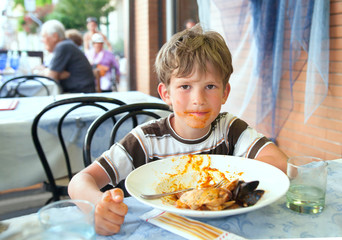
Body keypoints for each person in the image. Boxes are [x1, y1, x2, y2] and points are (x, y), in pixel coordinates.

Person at [68, 24, 288, 236]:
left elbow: (277, 162)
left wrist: (229, 187)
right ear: (166, 94)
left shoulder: (229, 129)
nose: (198, 100)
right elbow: (81, 181)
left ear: (224, 92)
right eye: (185, 87)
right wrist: (98, 206)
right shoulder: (146, 140)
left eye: (210, 86)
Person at [39, 20, 95, 93]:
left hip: (79, 97)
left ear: (55, 36)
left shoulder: (63, 46)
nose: (42, 40)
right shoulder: (66, 45)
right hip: (79, 95)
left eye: (44, 36)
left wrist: (42, 71)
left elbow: (52, 77)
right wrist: (58, 74)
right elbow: (54, 74)